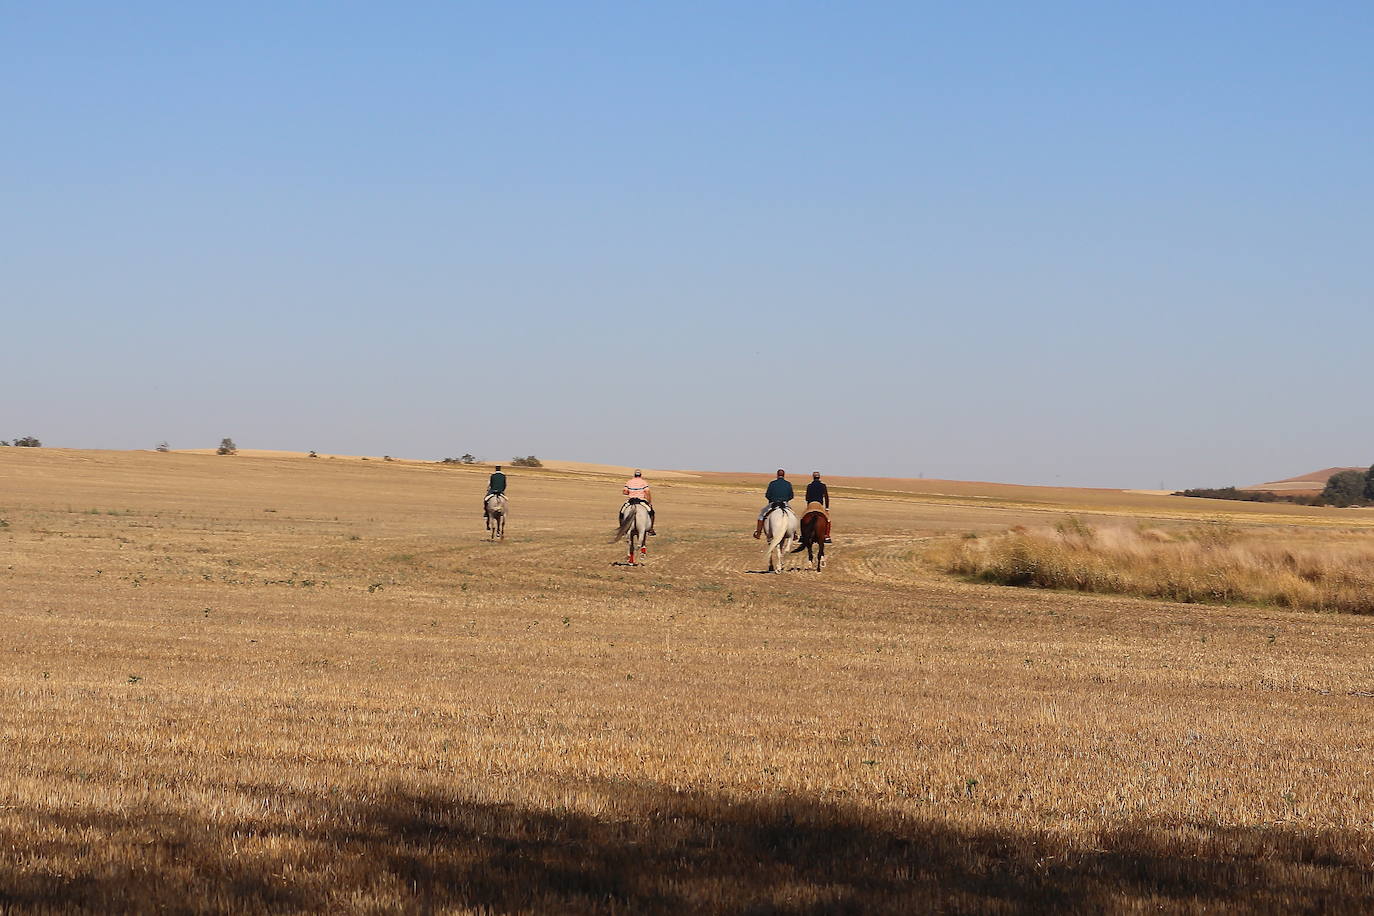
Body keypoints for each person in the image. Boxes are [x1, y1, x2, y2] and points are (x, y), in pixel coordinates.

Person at [753, 469, 794, 538]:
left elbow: (767, 495)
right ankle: (794, 533)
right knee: (792, 515)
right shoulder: (788, 484)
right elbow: (791, 496)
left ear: (777, 475)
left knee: (761, 515)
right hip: (784, 503)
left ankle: (758, 533)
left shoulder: (772, 483)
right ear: (784, 475)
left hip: (773, 503)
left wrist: (772, 500)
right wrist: (786, 500)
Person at [622, 469, 656, 535]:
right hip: (641, 500)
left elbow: (625, 492)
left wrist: (631, 491)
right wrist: (649, 503)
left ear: (634, 475)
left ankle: (623, 529)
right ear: (640, 475)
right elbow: (647, 492)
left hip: (631, 501)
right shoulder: (644, 482)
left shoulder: (629, 482)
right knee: (651, 512)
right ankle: (651, 529)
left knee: (622, 512)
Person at [805, 470, 833, 543]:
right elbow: (826, 497)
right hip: (819, 505)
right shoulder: (823, 486)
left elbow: (807, 498)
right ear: (819, 477)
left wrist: (808, 507)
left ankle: (803, 535)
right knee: (828, 520)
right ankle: (827, 536)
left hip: (811, 505)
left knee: (802, 518)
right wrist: (827, 508)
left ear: (813, 477)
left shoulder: (809, 486)